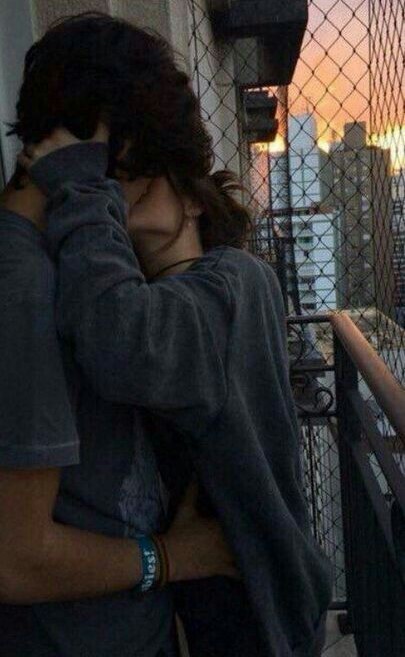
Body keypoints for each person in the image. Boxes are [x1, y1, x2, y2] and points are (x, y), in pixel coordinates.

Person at [13, 13, 333, 657]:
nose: (117, 197)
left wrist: (79, 185)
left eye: (139, 180)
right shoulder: (138, 292)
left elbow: (123, 341)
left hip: (252, 610)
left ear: (194, 199)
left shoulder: (233, 284)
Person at [0, 14, 240, 657]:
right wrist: (174, 557)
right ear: (99, 147)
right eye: (147, 169)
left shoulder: (63, 264)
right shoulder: (22, 285)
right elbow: (14, 559)